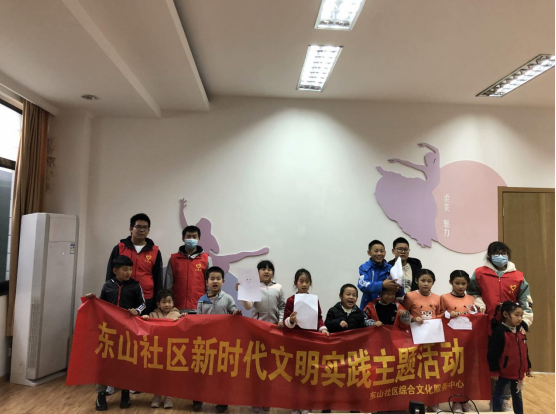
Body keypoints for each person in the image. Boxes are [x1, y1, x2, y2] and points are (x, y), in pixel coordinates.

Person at [467, 241, 533, 412]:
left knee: (510, 363)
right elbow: (472, 292)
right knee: (493, 362)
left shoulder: (518, 276)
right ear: (489, 255)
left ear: (508, 254)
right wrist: (480, 304)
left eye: (503, 252)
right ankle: (493, 398)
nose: (500, 255)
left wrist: (524, 322)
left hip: (511, 327)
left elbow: (525, 300)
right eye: (496, 253)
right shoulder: (480, 273)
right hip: (488, 326)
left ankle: (505, 399)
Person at [87, 255, 146, 411]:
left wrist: (137, 311)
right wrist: (92, 300)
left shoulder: (135, 285)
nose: (128, 272)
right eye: (125, 269)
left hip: (127, 330)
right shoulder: (108, 285)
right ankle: (101, 395)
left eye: (130, 269)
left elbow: (143, 303)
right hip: (109, 330)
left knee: (126, 362)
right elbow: (101, 304)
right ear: (115, 271)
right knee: (104, 362)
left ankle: (125, 393)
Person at [235, 260, 285, 413]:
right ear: (257, 273)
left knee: (270, 368)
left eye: (269, 269)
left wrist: (281, 320)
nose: (266, 271)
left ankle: (267, 400)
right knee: (257, 368)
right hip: (257, 331)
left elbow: (282, 306)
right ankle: (255, 401)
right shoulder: (253, 287)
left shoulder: (278, 287)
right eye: (263, 269)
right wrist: (242, 292)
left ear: (273, 273)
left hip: (274, 332)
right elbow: (248, 306)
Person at [193, 267, 241, 413]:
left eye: (218, 279)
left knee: (221, 373)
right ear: (206, 282)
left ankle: (222, 401)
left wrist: (236, 313)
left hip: (222, 342)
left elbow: (233, 311)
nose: (215, 281)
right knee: (201, 371)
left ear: (223, 282)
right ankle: (197, 399)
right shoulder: (201, 300)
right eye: (212, 279)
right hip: (205, 342)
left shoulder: (228, 298)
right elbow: (197, 320)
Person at [284, 269, 328, 414]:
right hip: (295, 342)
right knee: (296, 375)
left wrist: (322, 329)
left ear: (310, 283)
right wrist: (291, 320)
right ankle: (295, 406)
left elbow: (319, 317)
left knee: (309, 374)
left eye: (307, 282)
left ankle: (307, 406)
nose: (304, 284)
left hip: (310, 341)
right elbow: (285, 321)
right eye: (301, 281)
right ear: (295, 283)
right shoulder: (291, 300)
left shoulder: (314, 300)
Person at [106, 213, 163, 314]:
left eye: (145, 228)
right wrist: (110, 293)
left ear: (148, 230)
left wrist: (157, 300)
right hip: (122, 296)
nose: (142, 230)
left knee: (144, 324)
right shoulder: (120, 248)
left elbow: (158, 277)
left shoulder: (155, 251)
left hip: (146, 298)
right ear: (131, 229)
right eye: (138, 227)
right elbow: (111, 273)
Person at [141, 289, 185, 409]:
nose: (167, 304)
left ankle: (168, 397)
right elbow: (146, 328)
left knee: (169, 374)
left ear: (173, 303)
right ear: (158, 304)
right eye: (164, 302)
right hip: (157, 350)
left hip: (172, 351)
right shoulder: (153, 315)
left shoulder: (177, 315)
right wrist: (145, 319)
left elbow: (183, 329)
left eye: (169, 302)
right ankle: (156, 396)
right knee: (157, 374)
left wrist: (183, 318)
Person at [438, 272, 474, 414]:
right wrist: (448, 314)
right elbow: (439, 315)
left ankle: (465, 400)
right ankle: (456, 401)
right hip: (451, 340)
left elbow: (474, 317)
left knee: (467, 371)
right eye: (457, 283)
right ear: (450, 282)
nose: (460, 286)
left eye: (463, 284)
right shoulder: (444, 298)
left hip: (468, 339)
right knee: (454, 370)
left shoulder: (471, 298)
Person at [488, 302, 531, 414]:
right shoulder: (499, 331)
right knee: (499, 394)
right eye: (516, 315)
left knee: (517, 395)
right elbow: (493, 353)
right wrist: (494, 370)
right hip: (503, 372)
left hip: (517, 372)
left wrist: (527, 366)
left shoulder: (521, 331)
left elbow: (524, 350)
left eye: (521, 315)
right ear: (506, 314)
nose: (520, 318)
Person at [165, 225, 213, 314]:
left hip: (199, 307)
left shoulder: (206, 259)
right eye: (189, 236)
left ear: (199, 239)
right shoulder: (173, 259)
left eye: (194, 237)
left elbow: (209, 285)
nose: (191, 239)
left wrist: (207, 305)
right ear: (183, 238)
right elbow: (168, 285)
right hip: (177, 308)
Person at [357, 240, 400, 311]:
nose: (379, 253)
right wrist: (382, 285)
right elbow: (363, 286)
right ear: (369, 253)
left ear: (385, 252)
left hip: (387, 307)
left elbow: (398, 290)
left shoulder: (391, 268)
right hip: (368, 307)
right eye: (376, 251)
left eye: (382, 251)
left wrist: (398, 287)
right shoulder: (364, 267)